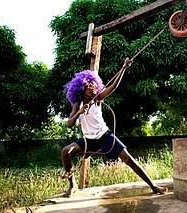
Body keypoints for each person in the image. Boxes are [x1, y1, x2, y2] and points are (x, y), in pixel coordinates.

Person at [61, 58, 168, 197]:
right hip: (88, 141)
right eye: (89, 86)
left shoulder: (99, 98)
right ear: (82, 88)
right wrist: (79, 113)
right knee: (65, 151)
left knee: (128, 159)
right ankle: (72, 185)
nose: (92, 87)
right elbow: (69, 124)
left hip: (105, 136)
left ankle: (153, 186)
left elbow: (114, 87)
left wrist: (123, 68)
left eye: (94, 85)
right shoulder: (77, 104)